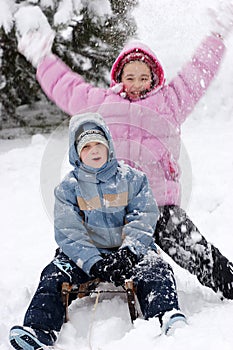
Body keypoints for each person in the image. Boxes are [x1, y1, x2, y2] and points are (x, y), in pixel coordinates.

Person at [14, 4, 233, 299]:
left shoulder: (170, 102)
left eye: (144, 77)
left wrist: (217, 36)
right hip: (110, 206)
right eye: (130, 77)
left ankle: (228, 281)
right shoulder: (102, 104)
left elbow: (197, 72)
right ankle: (60, 289)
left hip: (158, 204)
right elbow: (67, 87)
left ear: (155, 78)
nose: (137, 84)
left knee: (191, 245)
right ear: (119, 77)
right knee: (85, 242)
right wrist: (42, 59)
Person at [9, 112, 186, 349]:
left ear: (109, 146)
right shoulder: (68, 188)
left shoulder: (132, 179)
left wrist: (130, 252)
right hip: (84, 256)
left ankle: (166, 315)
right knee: (53, 275)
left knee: (156, 269)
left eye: (98, 144)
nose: (94, 150)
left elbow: (143, 218)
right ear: (77, 153)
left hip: (128, 251)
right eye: (86, 146)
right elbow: (69, 231)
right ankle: (39, 330)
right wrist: (93, 262)